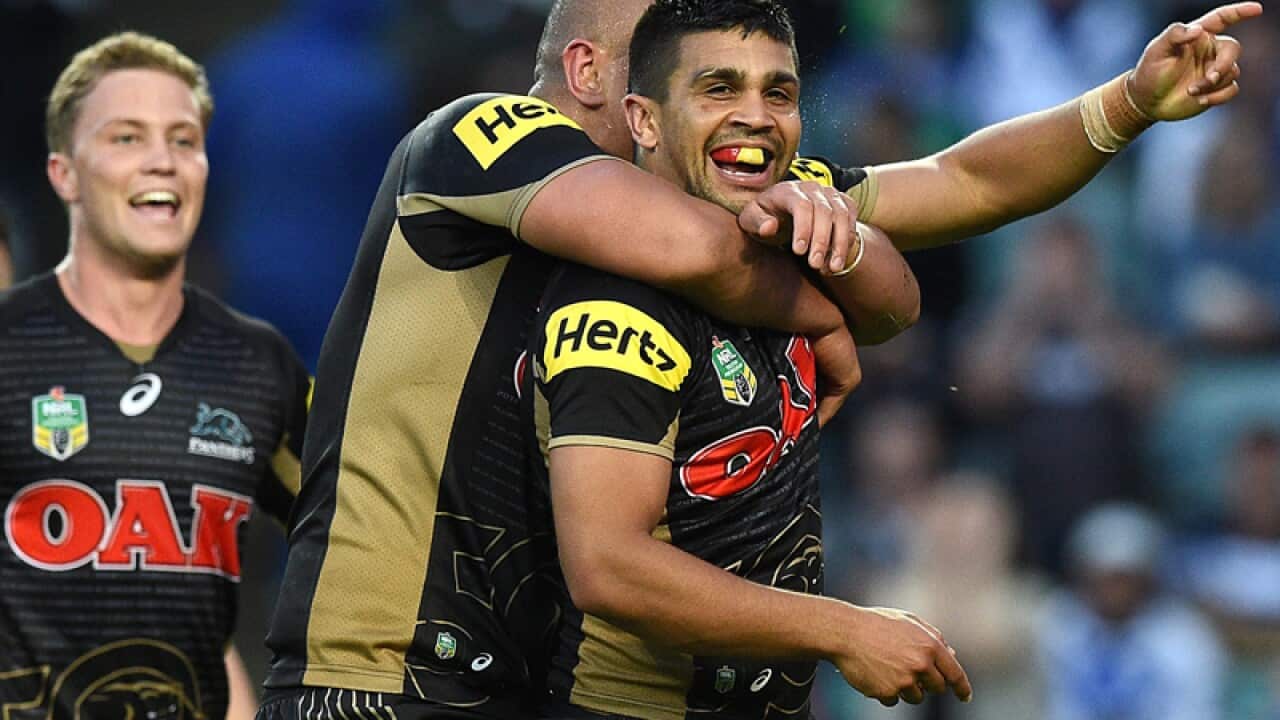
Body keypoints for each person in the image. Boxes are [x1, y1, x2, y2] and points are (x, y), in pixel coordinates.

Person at [263, 0, 1261, 716]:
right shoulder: (481, 136)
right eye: (685, 61)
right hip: (380, 667)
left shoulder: (719, 187)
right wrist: (825, 314)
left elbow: (959, 182)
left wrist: (1124, 103)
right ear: (599, 80)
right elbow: (691, 249)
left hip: (516, 667)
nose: (733, 99)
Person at [529, 4, 964, 717]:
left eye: (780, 94)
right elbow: (608, 567)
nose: (757, 116)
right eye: (719, 90)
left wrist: (1126, 105)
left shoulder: (780, 245)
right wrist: (845, 630)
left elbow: (935, 239)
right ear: (643, 121)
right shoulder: (618, 303)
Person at [0, 32, 310, 720]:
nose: (162, 162)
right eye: (127, 138)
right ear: (64, 174)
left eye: (183, 140)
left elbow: (354, 538)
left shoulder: (257, 364)